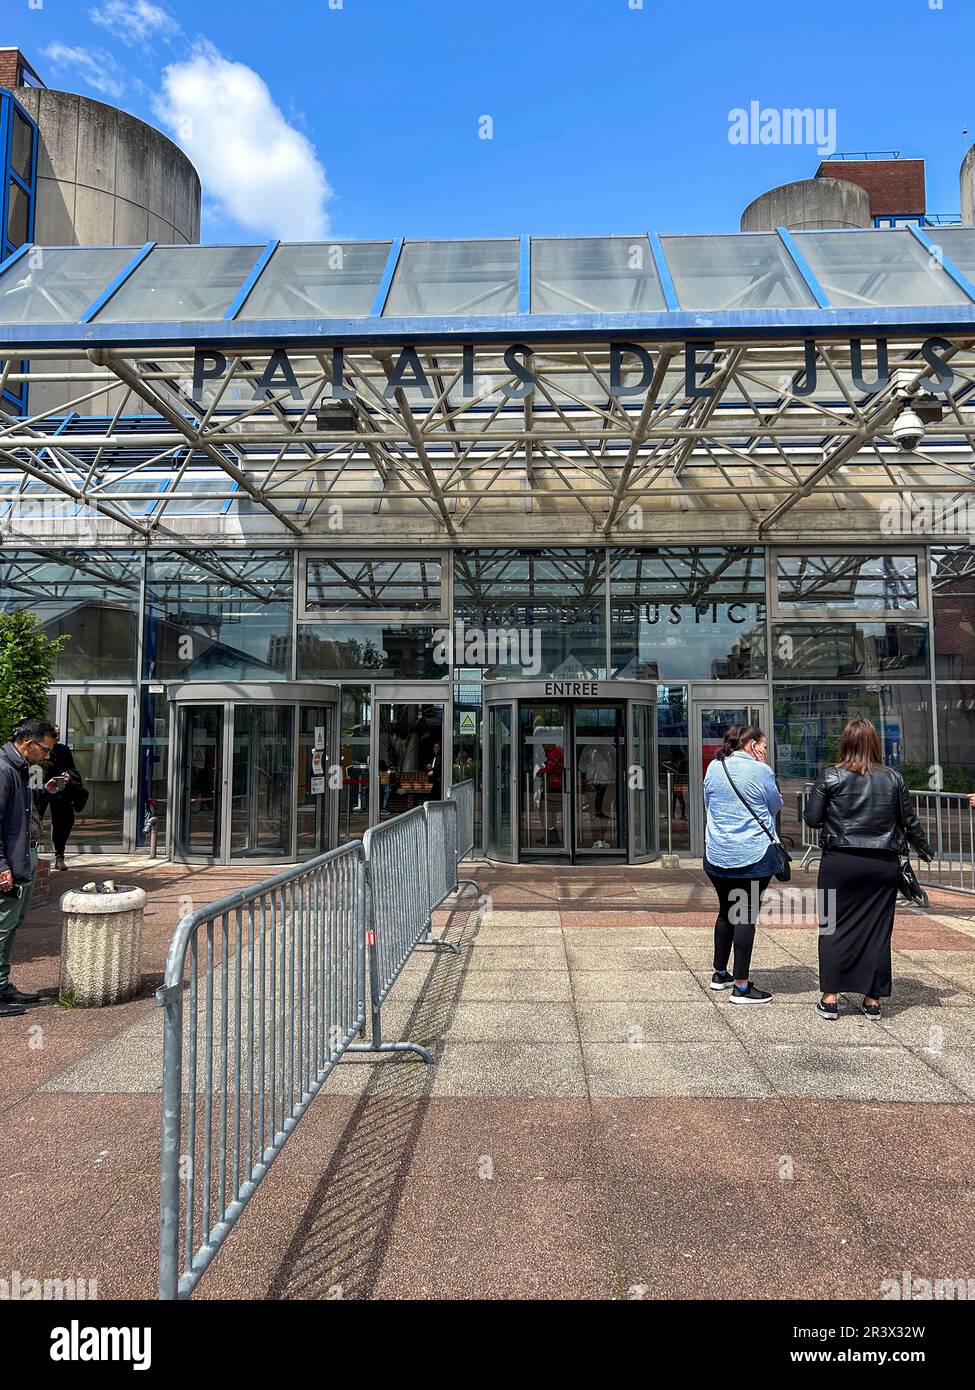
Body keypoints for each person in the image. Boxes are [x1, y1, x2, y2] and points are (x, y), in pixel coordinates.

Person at [804, 716, 932, 1021]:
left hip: (840, 862)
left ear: (845, 742)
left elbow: (811, 818)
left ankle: (830, 997)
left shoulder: (831, 776)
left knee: (833, 927)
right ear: (875, 743)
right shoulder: (893, 778)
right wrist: (926, 850)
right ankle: (872, 1000)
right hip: (881, 863)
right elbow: (909, 822)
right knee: (877, 931)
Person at [703, 724, 783, 1005]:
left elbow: (708, 804)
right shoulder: (761, 770)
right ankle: (742, 987)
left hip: (716, 854)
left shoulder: (715, 767)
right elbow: (774, 805)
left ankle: (719, 974)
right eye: (763, 745)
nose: (765, 750)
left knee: (726, 911)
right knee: (746, 915)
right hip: (752, 854)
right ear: (751, 745)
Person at [0, 719, 61, 1017]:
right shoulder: (3, 770)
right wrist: (1, 865)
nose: (47, 756)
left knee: (11, 924)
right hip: (9, 862)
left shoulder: (21, 769)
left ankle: (1, 984)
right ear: (28, 743)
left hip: (22, 857)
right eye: (45, 749)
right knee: (1, 926)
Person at [41, 724, 83, 871]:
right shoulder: (37, 748)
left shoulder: (63, 750)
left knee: (64, 821)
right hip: (39, 788)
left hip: (59, 789)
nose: (55, 737)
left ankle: (59, 856)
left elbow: (72, 769)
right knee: (32, 819)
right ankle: (29, 854)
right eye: (53, 734)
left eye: (57, 734)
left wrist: (68, 777)